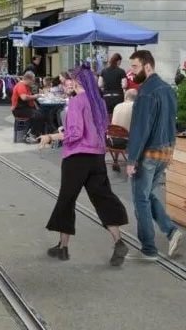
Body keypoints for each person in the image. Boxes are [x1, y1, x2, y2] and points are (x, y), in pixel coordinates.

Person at [38, 66, 130, 265]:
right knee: (102, 198)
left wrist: (51, 136)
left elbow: (76, 133)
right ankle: (119, 241)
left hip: (77, 157)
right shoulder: (97, 101)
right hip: (96, 157)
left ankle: (63, 247)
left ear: (76, 81)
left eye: (66, 81)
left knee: (67, 199)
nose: (64, 85)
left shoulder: (76, 101)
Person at [126, 49, 183, 260]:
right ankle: (170, 231)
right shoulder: (168, 89)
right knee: (148, 194)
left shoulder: (146, 92)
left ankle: (149, 249)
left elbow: (141, 128)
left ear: (147, 66)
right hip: (165, 151)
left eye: (134, 67)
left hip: (148, 153)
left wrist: (132, 160)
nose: (131, 72)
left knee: (140, 199)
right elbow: (173, 122)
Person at [11, 71, 44, 140]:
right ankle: (32, 134)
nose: (33, 82)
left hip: (25, 108)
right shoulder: (21, 86)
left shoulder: (27, 86)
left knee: (42, 113)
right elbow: (24, 97)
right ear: (28, 79)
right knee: (38, 115)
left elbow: (29, 96)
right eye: (33, 80)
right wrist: (35, 96)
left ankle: (37, 133)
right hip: (19, 109)